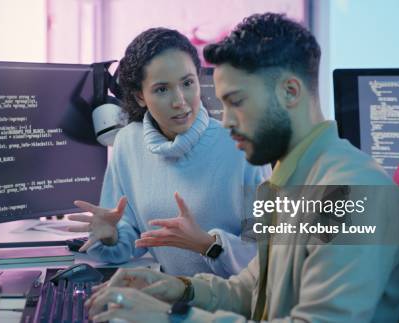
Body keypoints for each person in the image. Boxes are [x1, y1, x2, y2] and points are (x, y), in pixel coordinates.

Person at [83, 13, 399, 323]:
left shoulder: (349, 192)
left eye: (237, 103)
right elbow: (253, 290)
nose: (225, 122)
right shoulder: (297, 179)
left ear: (289, 92)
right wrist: (179, 289)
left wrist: (173, 318)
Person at [67, 28, 271, 278]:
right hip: (175, 298)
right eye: (162, 89)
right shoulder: (128, 143)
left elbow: (270, 253)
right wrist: (111, 237)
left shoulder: (241, 146)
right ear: (139, 96)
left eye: (187, 83)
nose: (180, 101)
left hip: (234, 305)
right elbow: (130, 237)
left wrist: (209, 245)